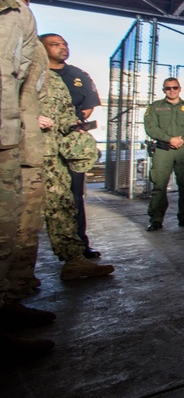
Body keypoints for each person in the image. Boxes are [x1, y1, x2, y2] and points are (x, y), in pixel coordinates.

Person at [0, 0, 53, 358]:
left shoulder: (20, 16)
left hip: (11, 137)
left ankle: (7, 304)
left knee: (11, 229)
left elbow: (22, 86)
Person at [39, 33, 102, 260]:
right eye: (55, 45)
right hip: (38, 145)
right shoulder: (31, 73)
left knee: (74, 197)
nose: (62, 48)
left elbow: (86, 108)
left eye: (64, 44)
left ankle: (79, 248)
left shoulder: (77, 76)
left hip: (69, 147)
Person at [144, 77, 184, 231]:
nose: (171, 91)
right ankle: (156, 219)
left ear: (179, 89)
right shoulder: (155, 107)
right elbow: (151, 128)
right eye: (168, 88)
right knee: (159, 185)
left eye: (174, 88)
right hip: (164, 149)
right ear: (164, 90)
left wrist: (183, 139)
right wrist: (169, 139)